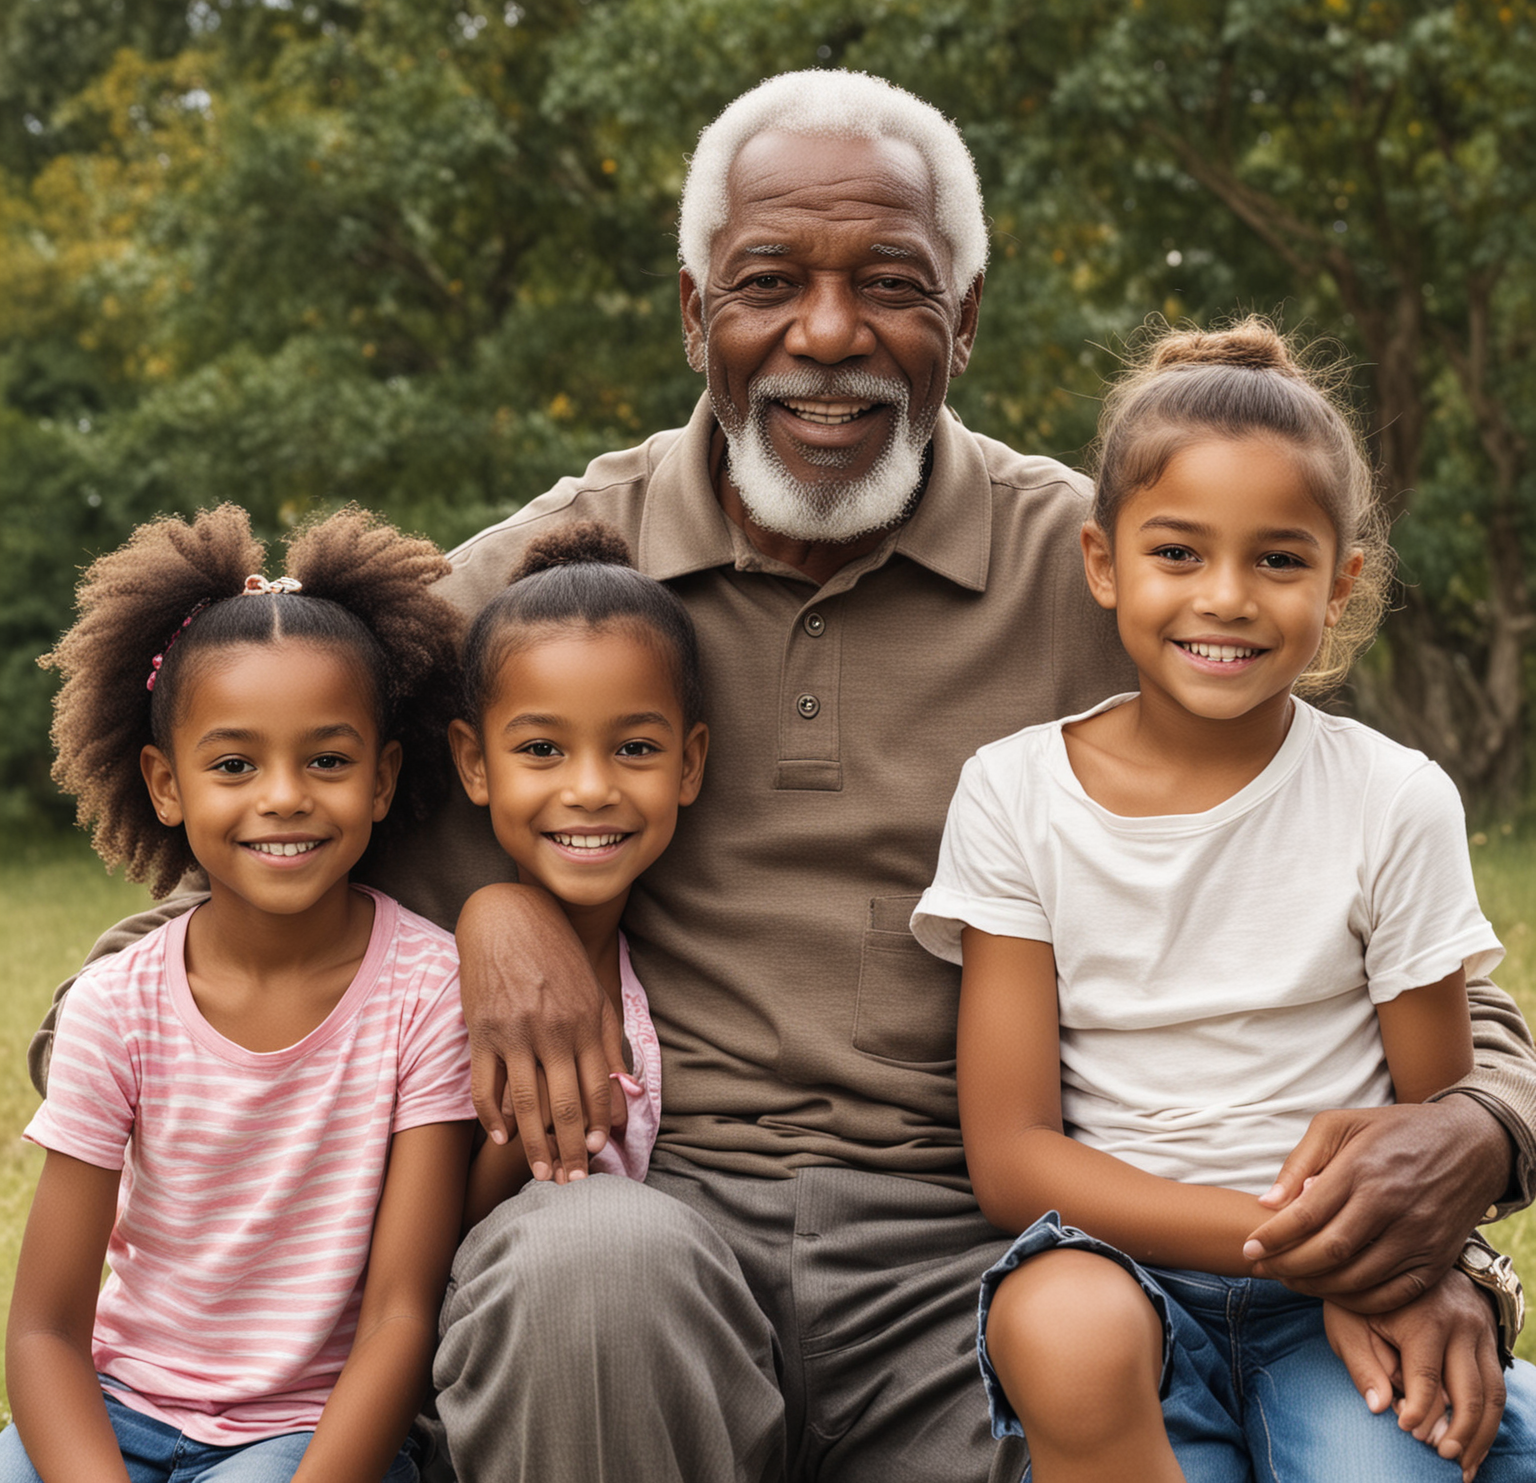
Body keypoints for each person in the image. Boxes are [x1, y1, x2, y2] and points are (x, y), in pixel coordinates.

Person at [30, 71, 1536, 1482]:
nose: (828, 333)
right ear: (696, 313)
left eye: (890, 283)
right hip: (652, 1216)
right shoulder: (538, 585)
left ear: (966, 315)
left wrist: (1450, 1187)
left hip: (987, 1247)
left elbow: (1405, 946)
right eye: (768, 282)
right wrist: (497, 912)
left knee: (1195, 1370)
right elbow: (168, 956)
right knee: (582, 1273)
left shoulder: (1119, 576)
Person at [912, 318, 1536, 1483]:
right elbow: (1012, 1155)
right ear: (1104, 564)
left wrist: (1374, 1268)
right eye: (1180, 553)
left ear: (1342, 584)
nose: (1230, 598)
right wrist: (1308, 1251)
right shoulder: (1015, 792)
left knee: (1383, 1464)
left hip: (1335, 1293)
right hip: (1124, 1267)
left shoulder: (1393, 801)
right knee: (1059, 1328)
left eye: (1281, 560)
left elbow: (1429, 1116)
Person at [4, 505, 477, 1483]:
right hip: (120, 1415)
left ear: (383, 778)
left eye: (328, 760)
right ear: (165, 784)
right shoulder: (115, 1007)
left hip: (310, 1441)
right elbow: (46, 1331)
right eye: (233, 764)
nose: (283, 796)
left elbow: (399, 1315)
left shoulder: (427, 995)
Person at [446, 521, 708, 1223]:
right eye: (541, 748)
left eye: (634, 748)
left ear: (689, 764)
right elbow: (442, 1238)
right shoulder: (445, 1001)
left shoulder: (663, 984)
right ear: (475, 764)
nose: (590, 788)